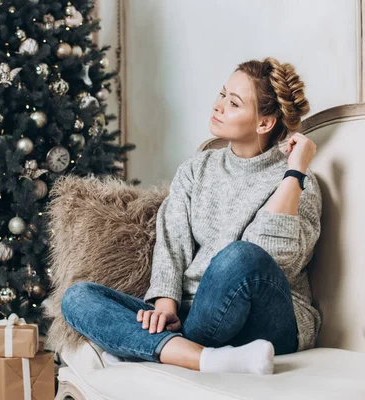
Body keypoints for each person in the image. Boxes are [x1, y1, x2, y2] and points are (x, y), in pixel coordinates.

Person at [60, 57, 322, 375]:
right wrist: (166, 304)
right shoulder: (197, 169)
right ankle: (202, 357)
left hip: (268, 322)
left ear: (264, 123)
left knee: (240, 256)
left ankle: (152, 348)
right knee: (77, 297)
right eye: (223, 94)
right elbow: (171, 243)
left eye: (234, 103)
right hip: (193, 315)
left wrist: (294, 171)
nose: (219, 105)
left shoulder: (299, 183)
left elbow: (275, 260)